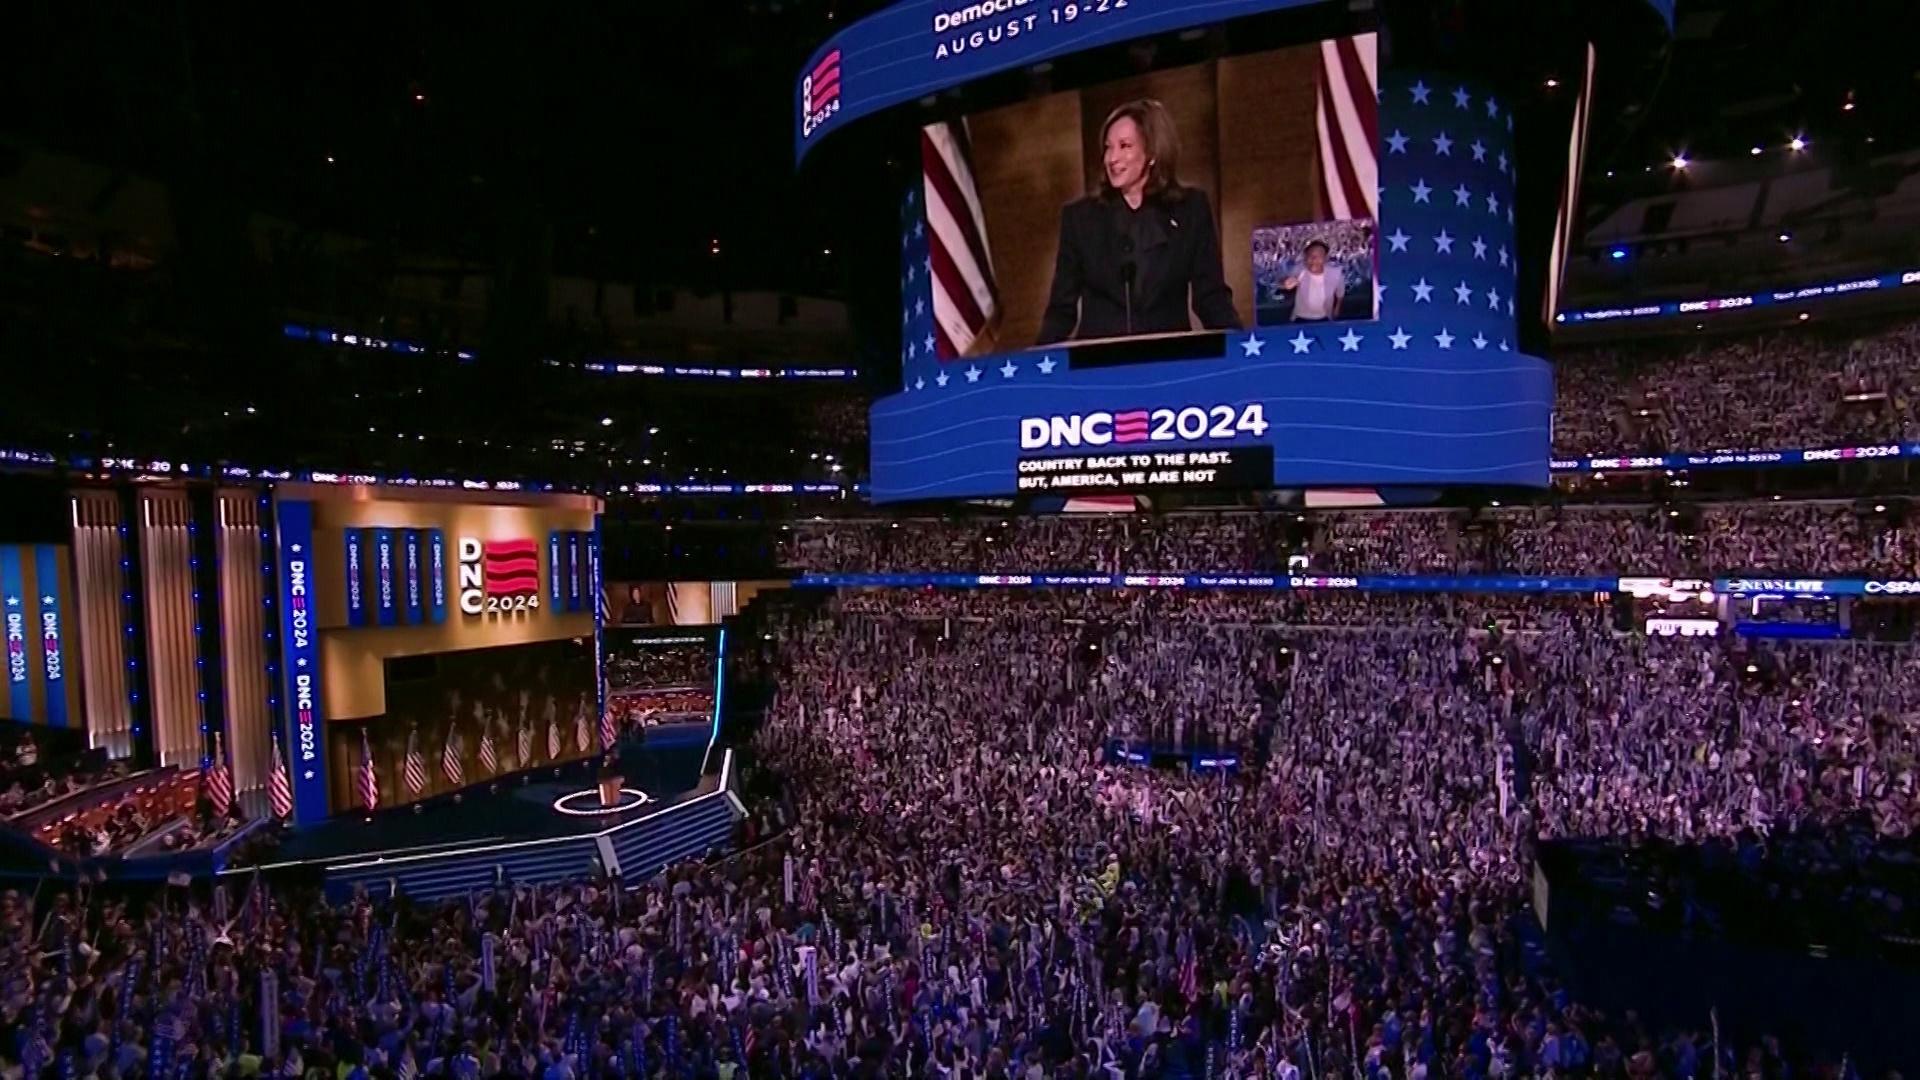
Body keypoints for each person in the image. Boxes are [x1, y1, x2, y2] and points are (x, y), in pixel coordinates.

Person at [1037, 99, 1240, 345]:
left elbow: (1211, 296)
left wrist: (1238, 352)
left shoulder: (1190, 210)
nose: (1112, 158)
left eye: (1124, 146)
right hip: (1100, 368)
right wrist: (1041, 360)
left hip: (1167, 361)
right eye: (1108, 147)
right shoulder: (1080, 219)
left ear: (1152, 153)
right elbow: (1061, 309)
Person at [1282, 239, 1342, 321]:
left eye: (1318, 256)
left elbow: (1340, 293)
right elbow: (1283, 281)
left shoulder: (1335, 273)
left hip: (1325, 317)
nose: (1314, 260)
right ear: (1305, 257)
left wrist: (1336, 309)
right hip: (1300, 318)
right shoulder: (1299, 269)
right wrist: (1285, 283)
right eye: (1310, 256)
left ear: (1325, 258)